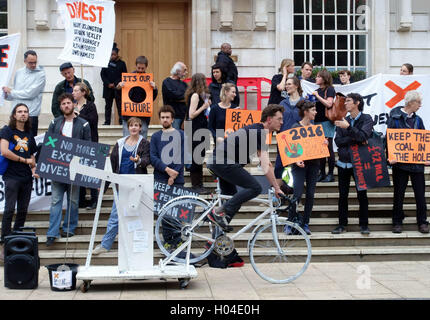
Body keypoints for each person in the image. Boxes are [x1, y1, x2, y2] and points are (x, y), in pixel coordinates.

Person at [207, 104, 285, 232]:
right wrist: (276, 187)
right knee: (255, 188)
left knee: (233, 200)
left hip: (221, 162)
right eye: (279, 119)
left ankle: (216, 244)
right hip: (223, 162)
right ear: (269, 119)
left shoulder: (259, 131)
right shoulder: (259, 131)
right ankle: (217, 211)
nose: (282, 122)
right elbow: (266, 164)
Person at [92, 117, 150, 255]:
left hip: (137, 186)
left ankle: (136, 246)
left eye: (137, 125)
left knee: (137, 216)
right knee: (114, 217)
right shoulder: (119, 144)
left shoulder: (144, 143)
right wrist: (104, 186)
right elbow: (111, 167)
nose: (134, 128)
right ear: (128, 128)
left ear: (140, 128)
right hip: (121, 186)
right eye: (131, 126)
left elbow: (148, 159)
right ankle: (105, 245)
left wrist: (139, 160)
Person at [46, 93, 91, 247]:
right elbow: (48, 145)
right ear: (60, 107)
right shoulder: (54, 123)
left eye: (68, 103)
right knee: (56, 200)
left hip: (75, 167)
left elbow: (88, 146)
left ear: (73, 104)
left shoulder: (84, 124)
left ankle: (69, 228)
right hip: (57, 168)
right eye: (63, 104)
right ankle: (52, 232)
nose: (66, 105)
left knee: (73, 200)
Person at [387, 90, 429, 234]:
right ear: (411, 102)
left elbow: (423, 141)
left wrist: (426, 157)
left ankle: (422, 222)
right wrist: (390, 157)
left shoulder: (419, 120)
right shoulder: (395, 118)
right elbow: (389, 139)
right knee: (399, 194)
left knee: (420, 195)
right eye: (418, 102)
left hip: (417, 165)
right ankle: (397, 222)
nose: (420, 105)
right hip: (400, 164)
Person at [0, 103, 38, 261]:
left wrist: (34, 167)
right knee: (9, 210)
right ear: (14, 115)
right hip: (12, 176)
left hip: (26, 178)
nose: (23, 114)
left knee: (22, 210)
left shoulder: (29, 133)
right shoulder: (7, 131)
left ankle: (15, 240)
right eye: (20, 111)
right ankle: (4, 243)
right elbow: (4, 151)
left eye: (25, 111)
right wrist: (24, 160)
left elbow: (33, 155)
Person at [332, 93, 373, 235]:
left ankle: (364, 225)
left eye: (348, 101)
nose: (345, 104)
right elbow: (338, 141)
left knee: (362, 195)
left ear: (357, 103)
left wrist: (349, 128)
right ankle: (342, 224)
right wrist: (355, 137)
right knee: (343, 196)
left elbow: (363, 136)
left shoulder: (366, 119)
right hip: (343, 164)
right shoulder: (343, 120)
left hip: (359, 164)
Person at [284, 100, 324, 235]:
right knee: (297, 193)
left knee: (311, 194)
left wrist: (323, 143)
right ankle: (290, 223)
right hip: (299, 167)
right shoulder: (295, 127)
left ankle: (305, 223)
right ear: (306, 112)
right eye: (313, 110)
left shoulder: (315, 128)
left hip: (313, 165)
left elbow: (320, 149)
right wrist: (296, 160)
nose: (316, 112)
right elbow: (289, 149)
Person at [3, 50, 46, 137]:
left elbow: (30, 93)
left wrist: (11, 91)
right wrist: (6, 95)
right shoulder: (19, 72)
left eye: (35, 62)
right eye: (30, 63)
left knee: (29, 145)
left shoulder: (41, 74)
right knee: (13, 143)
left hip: (31, 115)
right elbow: (16, 93)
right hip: (16, 115)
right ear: (25, 61)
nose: (33, 65)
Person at [72, 82, 99, 210]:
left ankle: (94, 199)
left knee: (92, 172)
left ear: (83, 92)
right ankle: (81, 199)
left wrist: (79, 115)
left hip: (91, 142)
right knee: (79, 171)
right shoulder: (72, 106)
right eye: (73, 91)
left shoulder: (90, 106)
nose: (73, 93)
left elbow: (93, 122)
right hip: (77, 143)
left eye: (76, 90)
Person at [118, 56, 158, 138]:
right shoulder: (128, 78)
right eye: (139, 68)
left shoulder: (149, 80)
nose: (140, 70)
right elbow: (121, 96)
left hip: (143, 116)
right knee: (127, 138)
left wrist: (154, 89)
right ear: (135, 66)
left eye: (142, 68)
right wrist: (119, 87)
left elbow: (151, 98)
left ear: (146, 67)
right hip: (128, 115)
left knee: (142, 141)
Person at [274, 77, 305, 185]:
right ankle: (276, 196)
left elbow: (310, 122)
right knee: (279, 166)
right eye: (286, 84)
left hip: (298, 141)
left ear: (296, 86)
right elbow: (277, 119)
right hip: (283, 139)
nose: (286, 86)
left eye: (289, 84)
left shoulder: (304, 102)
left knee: (296, 169)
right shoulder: (282, 103)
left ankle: (295, 197)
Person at [185, 73, 211, 194]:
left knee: (199, 156)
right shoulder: (195, 95)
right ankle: (196, 185)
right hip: (195, 128)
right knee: (197, 157)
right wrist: (204, 106)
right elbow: (191, 114)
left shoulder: (202, 96)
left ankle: (199, 184)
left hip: (202, 127)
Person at [150, 105, 184, 186]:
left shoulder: (181, 135)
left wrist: (173, 175)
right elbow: (153, 157)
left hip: (177, 178)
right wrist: (167, 170)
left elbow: (183, 156)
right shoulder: (155, 136)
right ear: (160, 119)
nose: (165, 120)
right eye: (163, 117)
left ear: (172, 119)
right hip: (159, 178)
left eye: (167, 117)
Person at [313, 69, 336, 182]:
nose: (316, 78)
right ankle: (322, 173)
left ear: (324, 78)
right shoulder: (317, 90)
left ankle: (330, 174)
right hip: (317, 122)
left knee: (328, 148)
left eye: (318, 76)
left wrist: (317, 96)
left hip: (327, 122)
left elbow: (329, 104)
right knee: (320, 150)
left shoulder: (330, 89)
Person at [100, 44, 127, 125]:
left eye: (114, 54)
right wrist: (108, 83)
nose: (112, 56)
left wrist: (115, 84)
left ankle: (121, 121)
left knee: (120, 105)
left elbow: (124, 75)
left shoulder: (122, 63)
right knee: (108, 106)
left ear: (117, 54)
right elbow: (102, 75)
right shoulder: (105, 62)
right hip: (108, 88)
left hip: (118, 88)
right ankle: (107, 122)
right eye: (111, 54)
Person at [162, 62, 188, 130]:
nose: (186, 72)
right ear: (177, 71)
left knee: (186, 139)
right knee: (174, 138)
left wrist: (182, 97)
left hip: (185, 116)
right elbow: (173, 96)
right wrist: (183, 97)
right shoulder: (167, 82)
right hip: (173, 116)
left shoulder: (184, 84)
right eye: (184, 70)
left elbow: (189, 96)